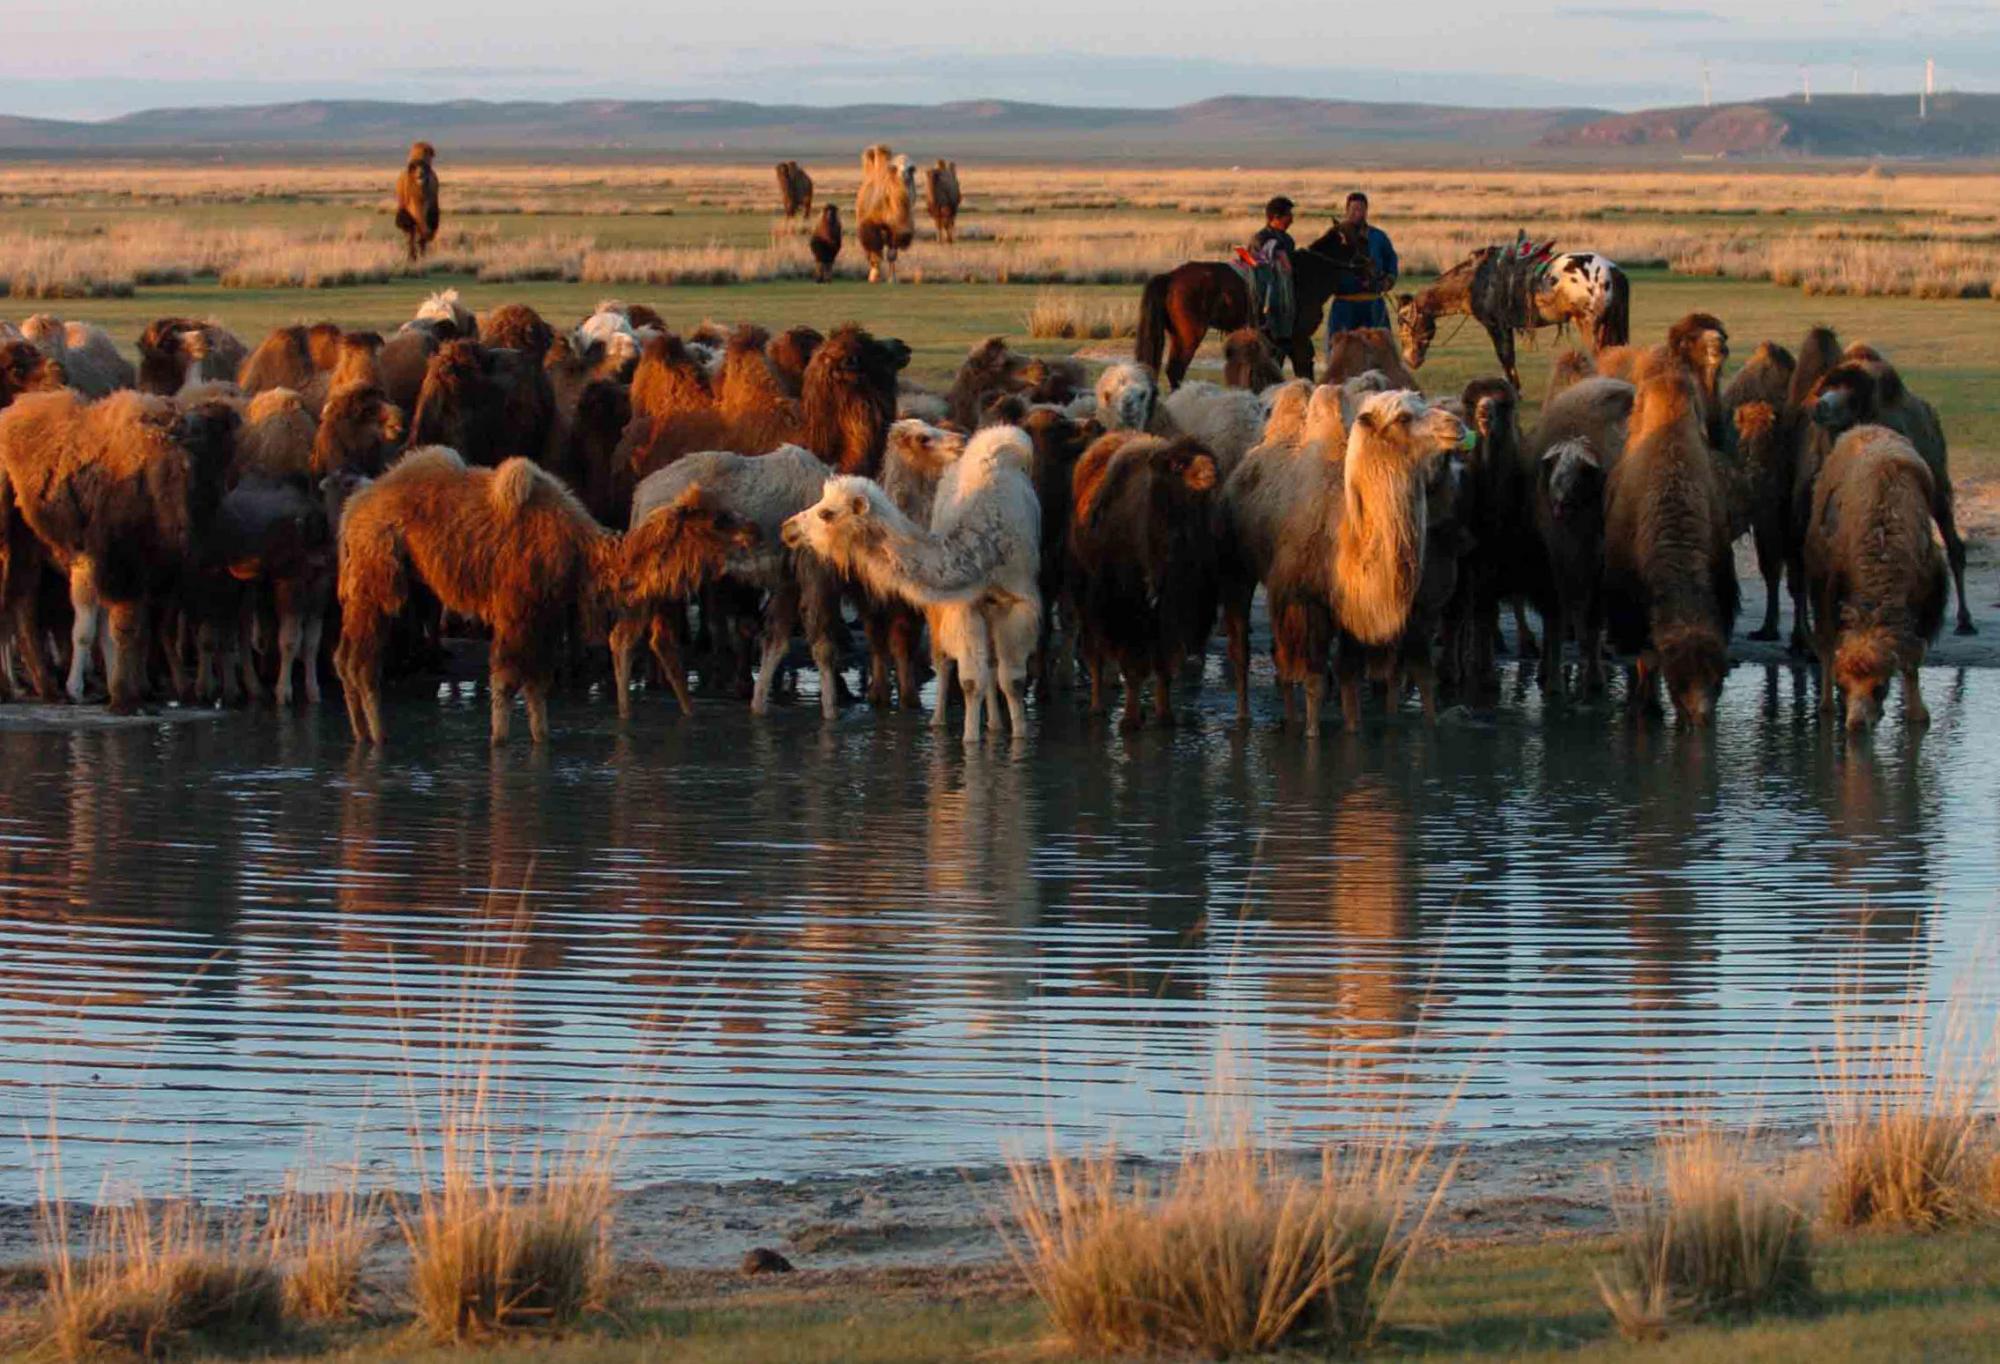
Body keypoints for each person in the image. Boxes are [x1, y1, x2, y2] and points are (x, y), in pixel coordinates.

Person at [1325, 191, 1398, 340]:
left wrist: (1388, 280)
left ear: (1366, 211)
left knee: (1378, 350)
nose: (1357, 213)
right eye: (1353, 209)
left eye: (1361, 209)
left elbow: (1391, 261)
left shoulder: (1378, 237)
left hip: (1373, 304)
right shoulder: (1335, 237)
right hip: (1344, 306)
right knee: (1342, 351)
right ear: (1347, 211)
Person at [1245, 195, 1296, 342]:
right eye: (1288, 215)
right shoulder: (1262, 238)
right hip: (1264, 294)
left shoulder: (1288, 239)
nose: (1292, 219)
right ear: (1276, 217)